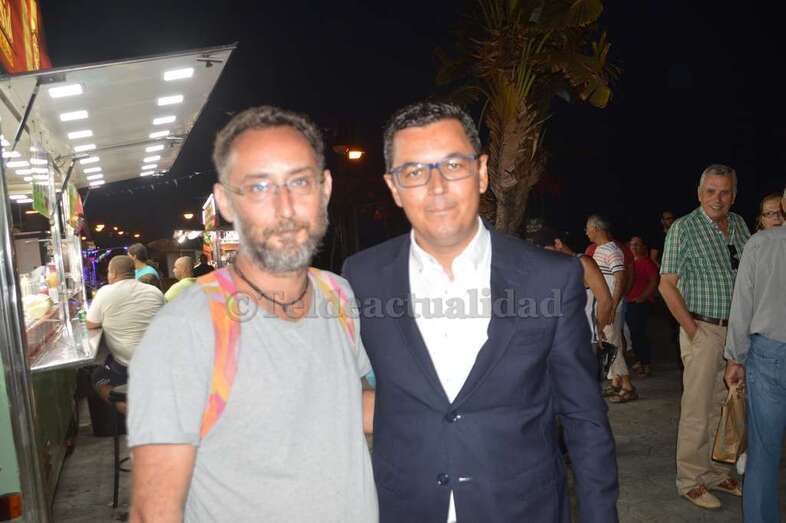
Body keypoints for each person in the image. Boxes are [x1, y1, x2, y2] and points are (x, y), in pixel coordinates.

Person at [343, 102, 618, 523]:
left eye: (453, 165)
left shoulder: (549, 278)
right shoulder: (361, 277)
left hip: (525, 509)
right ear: (394, 187)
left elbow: (584, 416)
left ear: (482, 172)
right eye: (414, 172)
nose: (436, 187)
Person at [127, 106, 378, 522]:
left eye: (300, 182)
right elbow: (154, 510)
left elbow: (344, 405)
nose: (285, 207)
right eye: (259, 187)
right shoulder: (185, 329)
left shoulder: (337, 294)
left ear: (325, 189)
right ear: (226, 201)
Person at [659, 163, 750, 509]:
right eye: (711, 191)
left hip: (735, 332)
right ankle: (690, 480)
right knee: (697, 408)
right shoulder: (683, 228)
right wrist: (693, 332)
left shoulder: (739, 225)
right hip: (704, 328)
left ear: (734, 195)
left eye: (725, 192)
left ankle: (713, 472)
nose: (718, 198)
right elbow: (666, 285)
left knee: (723, 405)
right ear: (699, 194)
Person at [724, 187, 786, 522]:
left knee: (763, 450)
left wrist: (735, 357)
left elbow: (742, 306)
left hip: (770, 355)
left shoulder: (760, 244)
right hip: (770, 354)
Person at [86, 255, 164, 411]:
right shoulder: (155, 291)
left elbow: (91, 324)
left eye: (108, 272)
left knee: (98, 376)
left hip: (129, 367)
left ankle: (125, 408)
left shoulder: (105, 292)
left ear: (113, 273)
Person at [585, 215, 637, 403]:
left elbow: (620, 277)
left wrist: (613, 306)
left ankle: (628, 386)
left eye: (588, 228)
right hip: (604, 305)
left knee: (611, 344)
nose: (586, 232)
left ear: (596, 229)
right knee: (611, 342)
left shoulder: (612, 250)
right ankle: (617, 382)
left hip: (609, 306)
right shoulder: (600, 249)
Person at [529, 227, 613, 337]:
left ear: (558, 243)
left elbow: (605, 301)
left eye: (546, 253)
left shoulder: (583, 263)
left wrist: (597, 330)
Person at [625, 236, 659, 377]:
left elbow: (654, 281)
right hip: (629, 302)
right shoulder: (630, 263)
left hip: (640, 303)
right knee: (633, 334)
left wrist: (643, 297)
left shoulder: (647, 263)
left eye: (637, 244)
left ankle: (646, 364)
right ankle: (639, 360)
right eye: (632, 244)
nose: (634, 247)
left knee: (640, 334)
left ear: (644, 247)